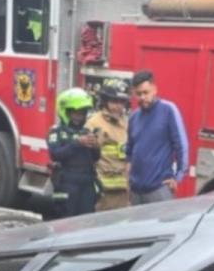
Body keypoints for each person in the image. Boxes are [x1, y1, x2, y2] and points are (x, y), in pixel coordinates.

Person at [125, 70, 189, 205]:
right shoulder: (133, 117)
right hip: (136, 192)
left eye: (146, 92)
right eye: (138, 94)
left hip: (159, 190)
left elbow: (181, 146)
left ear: (154, 89)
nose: (142, 97)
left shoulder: (168, 110)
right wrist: (129, 182)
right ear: (133, 93)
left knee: (162, 227)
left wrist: (177, 177)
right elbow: (129, 152)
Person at [47, 88, 101, 218]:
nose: (78, 116)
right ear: (66, 112)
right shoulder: (57, 131)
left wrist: (95, 146)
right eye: (75, 113)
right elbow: (55, 154)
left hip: (87, 183)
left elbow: (95, 158)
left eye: (82, 113)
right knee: (65, 223)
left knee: (87, 222)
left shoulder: (87, 131)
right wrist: (77, 143)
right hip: (67, 183)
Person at [84, 78, 131, 212]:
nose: (118, 106)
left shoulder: (125, 123)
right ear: (105, 101)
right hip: (103, 193)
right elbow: (88, 158)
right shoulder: (95, 124)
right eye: (114, 101)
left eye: (121, 102)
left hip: (123, 192)